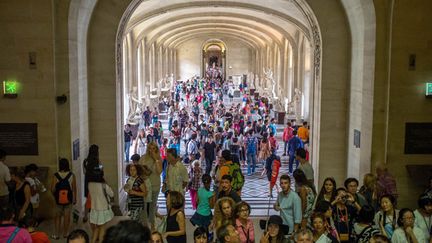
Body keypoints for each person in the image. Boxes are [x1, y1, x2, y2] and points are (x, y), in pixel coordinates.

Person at [51, 158, 77, 239]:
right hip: (68, 199)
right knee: (67, 216)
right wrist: (75, 198)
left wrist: (56, 195)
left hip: (58, 200)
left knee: (57, 217)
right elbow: (74, 189)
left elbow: (52, 189)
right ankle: (66, 233)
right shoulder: (72, 175)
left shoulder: (55, 175)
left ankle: (57, 234)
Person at [139, 141, 163, 229]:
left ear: (156, 149)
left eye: (153, 148)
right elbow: (139, 171)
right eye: (150, 148)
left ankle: (152, 225)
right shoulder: (143, 158)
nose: (151, 150)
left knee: (152, 206)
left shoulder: (159, 159)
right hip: (145, 185)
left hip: (155, 185)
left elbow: (159, 171)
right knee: (144, 206)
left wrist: (156, 159)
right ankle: (145, 226)